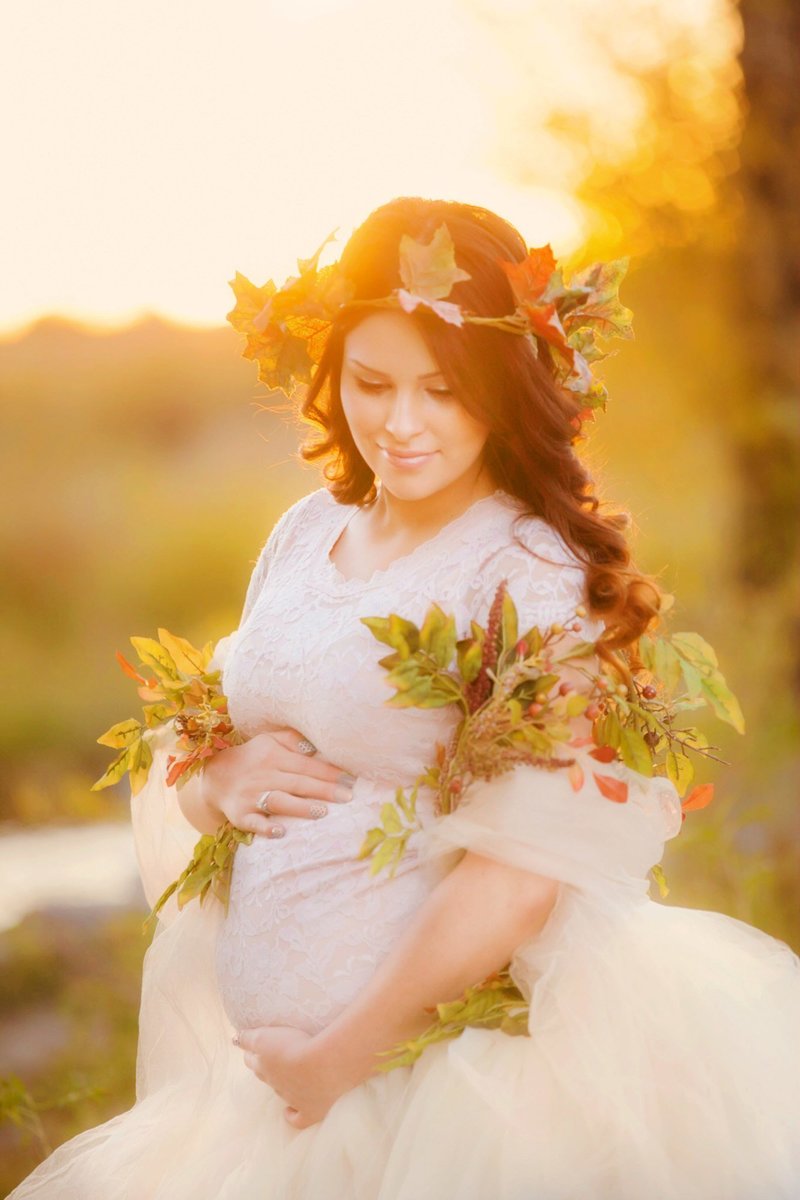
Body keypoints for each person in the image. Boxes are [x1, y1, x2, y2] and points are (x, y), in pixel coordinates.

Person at [10, 196, 800, 1199]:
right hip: (288, 1099)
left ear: (505, 389)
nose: (400, 422)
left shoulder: (526, 572)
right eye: (371, 382)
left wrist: (343, 1051)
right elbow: (223, 741)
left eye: (443, 389)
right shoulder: (307, 531)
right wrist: (222, 778)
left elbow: (521, 871)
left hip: (445, 1093)